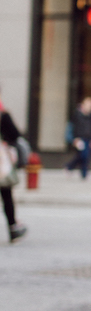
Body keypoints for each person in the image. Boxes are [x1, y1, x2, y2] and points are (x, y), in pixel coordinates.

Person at [0, 91, 26, 242]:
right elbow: (16, 135)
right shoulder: (3, 115)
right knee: (6, 194)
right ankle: (13, 228)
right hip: (1, 164)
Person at [65, 97, 91, 179]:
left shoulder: (90, 116)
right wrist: (75, 139)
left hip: (88, 138)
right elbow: (73, 127)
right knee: (82, 155)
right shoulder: (77, 114)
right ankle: (72, 167)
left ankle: (82, 173)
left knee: (86, 156)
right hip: (79, 138)